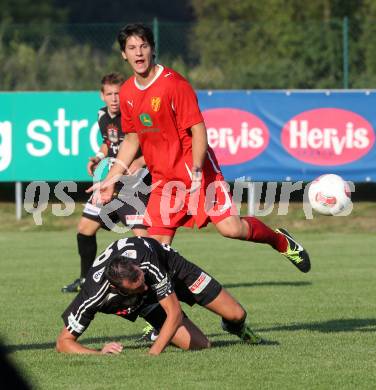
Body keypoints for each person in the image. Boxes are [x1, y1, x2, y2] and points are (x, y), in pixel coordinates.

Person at [87, 23, 310, 274]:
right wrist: (110, 178)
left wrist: (195, 169)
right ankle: (176, 314)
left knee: (231, 229)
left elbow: (198, 129)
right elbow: (132, 139)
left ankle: (280, 241)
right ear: (123, 54)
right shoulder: (127, 91)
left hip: (197, 171)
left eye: (143, 46)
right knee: (155, 254)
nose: (138, 53)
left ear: (152, 49)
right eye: (132, 48)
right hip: (163, 180)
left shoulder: (174, 84)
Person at [56, 236, 263, 355]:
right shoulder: (92, 295)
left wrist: (153, 354)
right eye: (137, 287)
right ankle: (159, 331)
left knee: (236, 314)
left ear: (136, 267)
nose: (146, 287)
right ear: (117, 288)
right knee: (203, 346)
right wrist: (99, 354)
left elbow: (174, 312)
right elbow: (64, 342)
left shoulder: (144, 263)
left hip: (174, 270)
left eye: (142, 280)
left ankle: (231, 326)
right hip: (145, 305)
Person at [62, 72, 151, 293]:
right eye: (109, 93)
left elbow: (154, 144)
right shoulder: (102, 115)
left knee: (145, 240)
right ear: (102, 95)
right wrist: (99, 157)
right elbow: (108, 143)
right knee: (85, 228)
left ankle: (153, 283)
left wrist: (140, 160)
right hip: (111, 181)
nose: (114, 98)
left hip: (135, 186)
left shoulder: (133, 116)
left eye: (118, 93)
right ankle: (86, 281)